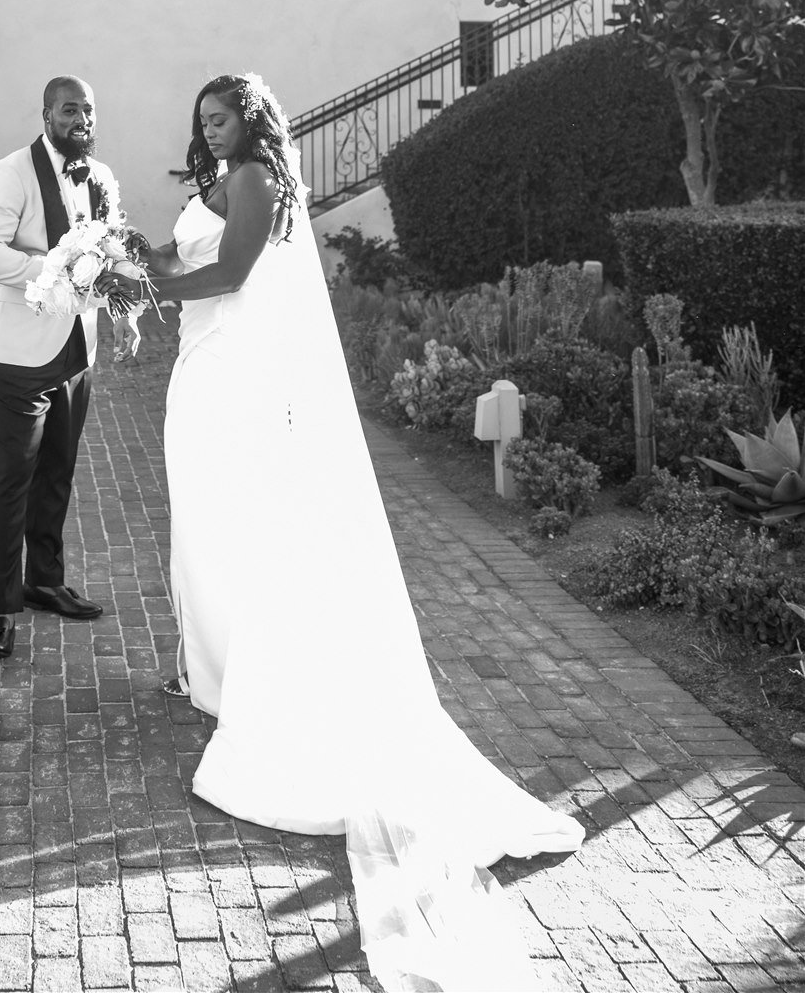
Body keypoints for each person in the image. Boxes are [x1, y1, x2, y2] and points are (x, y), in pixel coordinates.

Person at [141, 72, 583, 993]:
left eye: (221, 116)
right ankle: (214, 668)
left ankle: (247, 677)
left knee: (239, 525)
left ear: (251, 120)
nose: (210, 129)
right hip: (202, 369)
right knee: (207, 528)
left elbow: (228, 273)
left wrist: (142, 271)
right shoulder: (215, 186)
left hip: (236, 377)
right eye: (202, 120)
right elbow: (197, 258)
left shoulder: (259, 178)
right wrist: (138, 252)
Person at [0, 75, 121, 662]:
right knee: (13, 480)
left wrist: (119, 303)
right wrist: (52, 270)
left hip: (79, 347)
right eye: (69, 108)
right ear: (46, 113)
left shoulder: (99, 177)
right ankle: (3, 609)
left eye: (88, 109)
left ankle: (45, 581)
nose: (80, 117)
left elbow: (112, 250)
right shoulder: (11, 173)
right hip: (21, 354)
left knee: (57, 472)